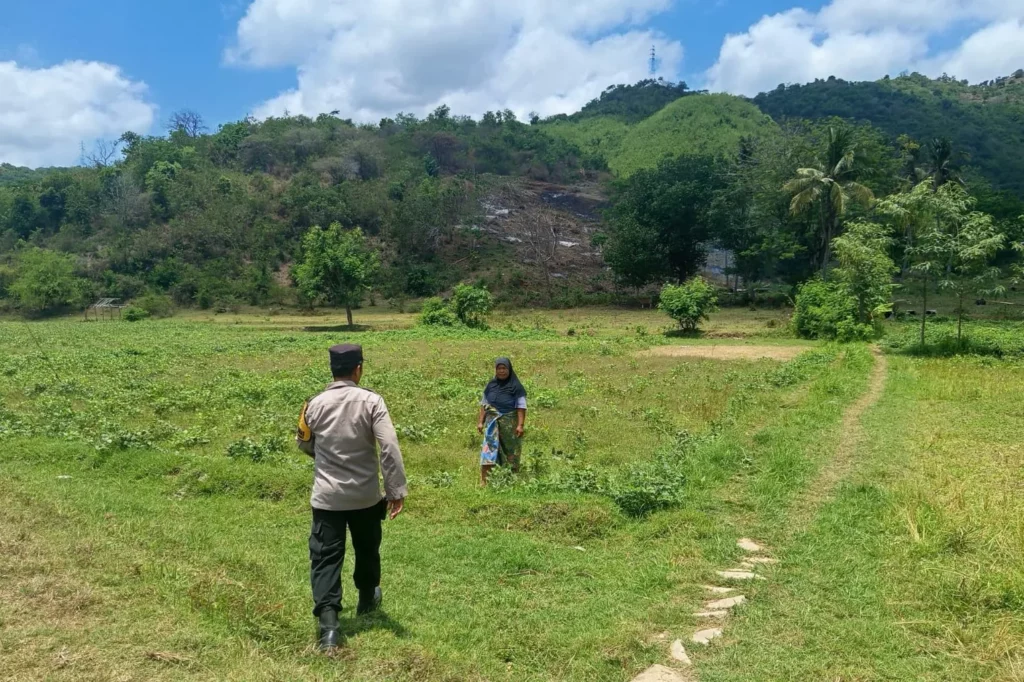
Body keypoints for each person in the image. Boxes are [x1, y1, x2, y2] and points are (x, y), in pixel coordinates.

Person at [296, 343, 407, 651]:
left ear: (332, 369)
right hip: (365, 496)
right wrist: (396, 490)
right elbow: (389, 447)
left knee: (325, 558)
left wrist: (326, 458)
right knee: (367, 548)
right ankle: (367, 599)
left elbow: (303, 443)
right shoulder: (372, 401)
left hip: (327, 498)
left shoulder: (313, 404)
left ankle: (329, 628)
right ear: (358, 369)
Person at [477, 357, 527, 486]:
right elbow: (484, 404)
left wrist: (520, 425)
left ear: (509, 369)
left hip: (509, 424)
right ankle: (485, 482)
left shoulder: (516, 386)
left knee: (511, 451)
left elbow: (521, 407)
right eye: (499, 368)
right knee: (488, 450)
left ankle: (511, 479)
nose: (501, 371)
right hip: (492, 423)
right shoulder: (491, 385)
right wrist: (481, 422)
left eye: (504, 368)